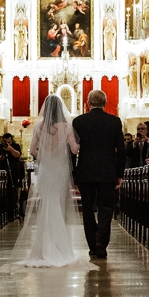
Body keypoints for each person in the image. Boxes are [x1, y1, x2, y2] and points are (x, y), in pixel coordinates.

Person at [16, 95, 86, 267]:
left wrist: (46, 157)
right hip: (61, 170)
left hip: (47, 170)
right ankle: (59, 247)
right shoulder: (67, 126)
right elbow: (74, 149)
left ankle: (44, 248)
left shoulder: (39, 126)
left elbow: (32, 150)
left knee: (47, 203)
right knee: (59, 204)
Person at [71, 89, 125, 260]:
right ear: (105, 103)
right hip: (107, 171)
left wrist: (73, 172)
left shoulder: (79, 121)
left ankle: (93, 245)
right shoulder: (114, 121)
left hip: (85, 172)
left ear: (88, 102)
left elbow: (72, 150)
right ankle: (101, 240)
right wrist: (119, 172)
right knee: (106, 208)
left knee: (87, 209)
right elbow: (121, 150)